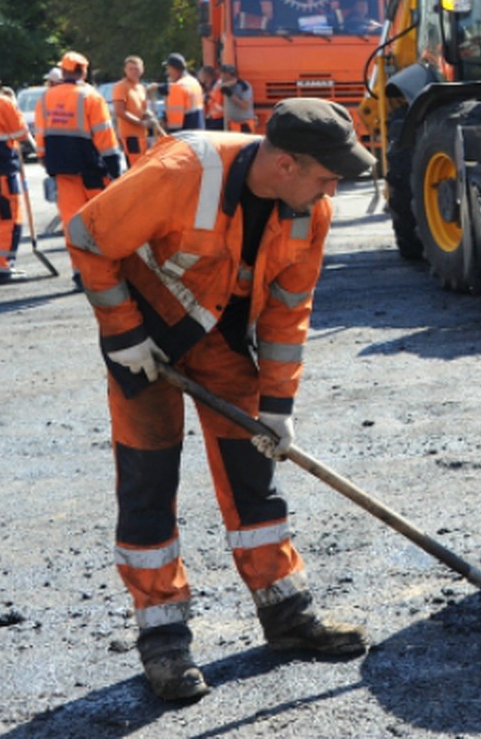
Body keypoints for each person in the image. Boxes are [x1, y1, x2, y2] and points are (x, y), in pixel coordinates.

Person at [66, 98, 376, 702]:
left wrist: (278, 409)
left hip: (222, 341)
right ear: (286, 164)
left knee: (252, 473)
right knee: (149, 480)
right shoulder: (183, 171)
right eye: (325, 174)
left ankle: (285, 613)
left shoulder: (309, 210)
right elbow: (87, 237)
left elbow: (289, 313)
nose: (333, 187)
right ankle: (164, 640)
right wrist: (124, 334)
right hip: (145, 335)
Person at [35, 51, 123, 290]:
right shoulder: (91, 97)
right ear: (84, 71)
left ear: (63, 72)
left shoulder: (46, 98)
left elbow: (40, 136)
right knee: (100, 223)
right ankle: (105, 272)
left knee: (72, 223)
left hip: (63, 171)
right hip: (91, 171)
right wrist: (115, 169)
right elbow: (105, 137)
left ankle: (80, 273)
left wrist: (45, 160)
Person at [0, 67, 28, 284]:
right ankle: (1, 265)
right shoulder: (2, 102)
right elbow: (21, 133)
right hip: (1, 168)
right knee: (7, 216)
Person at [111, 55, 157, 167]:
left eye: (136, 69)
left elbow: (143, 109)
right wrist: (140, 123)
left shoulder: (140, 88)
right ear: (125, 70)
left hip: (142, 135)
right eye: (130, 69)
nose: (133, 72)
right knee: (135, 168)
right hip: (130, 136)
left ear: (142, 69)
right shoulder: (121, 86)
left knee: (143, 166)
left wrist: (149, 116)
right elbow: (120, 111)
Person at [157, 53, 205, 132]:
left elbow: (175, 122)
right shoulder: (194, 82)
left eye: (168, 68)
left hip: (185, 135)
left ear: (174, 69)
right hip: (198, 130)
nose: (167, 72)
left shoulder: (177, 87)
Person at [219, 64, 257, 133]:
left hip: (244, 125)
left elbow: (245, 106)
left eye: (223, 74)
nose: (221, 76)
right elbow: (221, 87)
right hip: (231, 125)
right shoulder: (224, 85)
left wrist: (231, 94)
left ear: (229, 74)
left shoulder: (244, 86)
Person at [198, 64, 223, 130]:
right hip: (212, 119)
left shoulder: (218, 86)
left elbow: (219, 106)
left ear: (206, 75)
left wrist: (207, 99)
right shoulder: (209, 87)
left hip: (219, 119)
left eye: (200, 75)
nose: (199, 78)